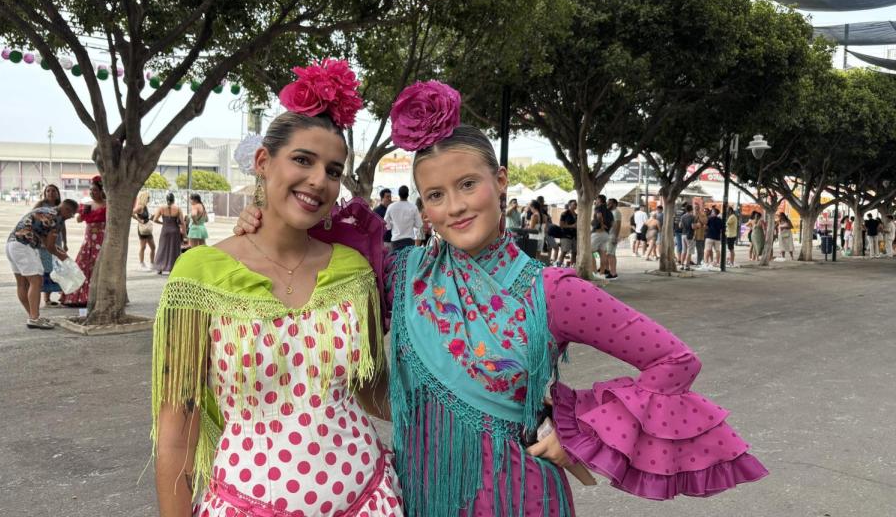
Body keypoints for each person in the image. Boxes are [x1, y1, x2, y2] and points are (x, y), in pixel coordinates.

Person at [234, 81, 768, 515]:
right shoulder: (400, 272)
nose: (455, 207)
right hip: (419, 497)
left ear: (501, 181)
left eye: (468, 185)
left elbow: (674, 361)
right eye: (436, 196)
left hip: (522, 498)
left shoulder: (553, 291)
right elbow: (304, 247)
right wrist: (256, 221)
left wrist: (577, 431)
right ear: (422, 208)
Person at [154, 59, 399, 517]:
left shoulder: (353, 271)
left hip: (371, 499)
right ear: (264, 162)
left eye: (333, 170)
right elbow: (176, 430)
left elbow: (371, 391)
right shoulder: (198, 276)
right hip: (244, 504)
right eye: (303, 160)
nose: (318, 181)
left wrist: (469, 400)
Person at [6, 199, 77, 329]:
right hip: (24, 246)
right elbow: (50, 247)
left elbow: (45, 239)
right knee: (36, 281)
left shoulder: (44, 211)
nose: (71, 218)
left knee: (22, 283)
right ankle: (34, 318)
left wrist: (57, 250)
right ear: (66, 210)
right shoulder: (56, 218)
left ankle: (34, 316)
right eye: (72, 215)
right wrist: (66, 259)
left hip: (11, 244)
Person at [60, 176, 107, 307]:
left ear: (101, 191)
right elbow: (79, 220)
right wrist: (83, 213)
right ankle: (77, 296)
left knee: (99, 266)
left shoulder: (108, 204)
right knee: (83, 265)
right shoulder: (87, 204)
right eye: (91, 190)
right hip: (89, 240)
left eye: (95, 190)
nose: (92, 192)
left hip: (102, 239)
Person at [34, 184, 67, 307]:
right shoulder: (41, 205)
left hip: (56, 241)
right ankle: (46, 298)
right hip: (44, 243)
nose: (51, 193)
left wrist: (65, 242)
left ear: (58, 193)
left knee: (57, 268)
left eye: (53, 190)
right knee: (46, 269)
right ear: (45, 193)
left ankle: (60, 293)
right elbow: (33, 220)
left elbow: (63, 227)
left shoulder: (60, 207)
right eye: (48, 191)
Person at [152, 192, 186, 275]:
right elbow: (182, 222)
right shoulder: (178, 209)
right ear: (174, 199)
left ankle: (160, 268)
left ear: (166, 199)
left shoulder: (161, 208)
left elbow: (155, 219)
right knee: (173, 249)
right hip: (175, 231)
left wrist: (163, 223)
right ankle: (172, 268)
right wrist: (184, 234)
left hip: (165, 230)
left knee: (162, 248)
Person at [383, 185, 422, 251]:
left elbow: (386, 225)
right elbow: (419, 225)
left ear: (399, 194)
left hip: (396, 240)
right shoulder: (413, 207)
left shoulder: (391, 207)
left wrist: (392, 225)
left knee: (395, 260)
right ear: (408, 194)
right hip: (409, 240)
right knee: (408, 260)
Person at [590, 194, 613, 276]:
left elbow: (599, 216)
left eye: (596, 199)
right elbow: (612, 223)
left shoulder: (599, 207)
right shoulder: (609, 211)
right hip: (606, 234)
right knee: (602, 253)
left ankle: (594, 272)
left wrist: (602, 225)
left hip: (598, 232)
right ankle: (602, 273)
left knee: (589, 252)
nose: (595, 201)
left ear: (599, 200)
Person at [133, 191, 156, 270]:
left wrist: (152, 216)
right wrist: (139, 220)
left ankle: (152, 263)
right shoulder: (140, 207)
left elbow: (146, 216)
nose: (149, 199)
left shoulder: (145, 206)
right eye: (148, 198)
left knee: (153, 247)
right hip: (143, 229)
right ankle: (142, 264)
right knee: (143, 247)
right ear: (145, 198)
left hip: (148, 229)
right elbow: (131, 213)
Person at [557, 200, 578, 268]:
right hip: (566, 235)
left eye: (576, 204)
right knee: (564, 251)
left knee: (574, 252)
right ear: (569, 205)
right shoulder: (565, 213)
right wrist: (572, 226)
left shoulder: (577, 215)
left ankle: (572, 267)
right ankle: (558, 266)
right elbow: (561, 225)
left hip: (575, 236)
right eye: (574, 204)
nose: (575, 205)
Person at [604, 197, 621, 279]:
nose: (608, 204)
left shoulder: (616, 212)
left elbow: (618, 225)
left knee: (610, 254)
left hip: (612, 236)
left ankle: (613, 273)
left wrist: (615, 236)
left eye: (609, 203)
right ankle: (608, 270)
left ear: (614, 204)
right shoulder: (610, 212)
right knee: (609, 254)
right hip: (608, 235)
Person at [678, 204, 695, 270]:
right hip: (690, 235)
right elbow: (693, 226)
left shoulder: (682, 216)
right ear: (691, 209)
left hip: (683, 234)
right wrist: (697, 226)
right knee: (689, 251)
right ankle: (687, 266)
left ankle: (682, 265)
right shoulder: (692, 217)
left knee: (683, 250)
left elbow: (680, 226)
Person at [693, 206, 708, 270]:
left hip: (701, 235)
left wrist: (699, 216)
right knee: (699, 249)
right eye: (695, 209)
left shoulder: (702, 215)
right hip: (696, 235)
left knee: (701, 249)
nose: (696, 210)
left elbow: (705, 222)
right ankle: (699, 262)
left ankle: (700, 262)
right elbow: (693, 225)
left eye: (697, 209)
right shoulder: (694, 215)